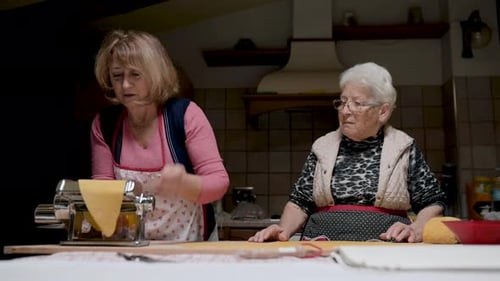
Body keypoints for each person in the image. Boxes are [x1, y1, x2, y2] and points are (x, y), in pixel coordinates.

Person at [248, 62, 446, 243]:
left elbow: (432, 202)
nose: (345, 111)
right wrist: (282, 230)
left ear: (383, 111)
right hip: (320, 248)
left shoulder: (403, 147)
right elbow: (300, 202)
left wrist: (417, 228)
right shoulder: (322, 146)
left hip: (385, 250)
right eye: (342, 102)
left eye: (357, 104)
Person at [90, 29, 229, 241]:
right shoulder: (105, 124)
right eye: (117, 76)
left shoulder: (185, 116)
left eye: (135, 74)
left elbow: (219, 183)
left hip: (190, 246)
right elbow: (102, 186)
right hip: (130, 247)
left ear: (155, 73)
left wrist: (185, 184)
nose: (125, 85)